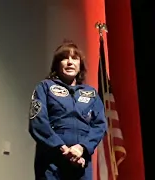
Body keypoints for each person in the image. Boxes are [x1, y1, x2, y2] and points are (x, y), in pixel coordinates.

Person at [28, 40, 108, 180]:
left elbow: (99, 125)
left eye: (74, 58)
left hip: (81, 161)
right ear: (57, 64)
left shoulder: (91, 93)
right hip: (51, 161)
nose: (70, 62)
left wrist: (81, 148)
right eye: (65, 58)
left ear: (80, 65)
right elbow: (38, 122)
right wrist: (63, 149)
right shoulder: (45, 87)